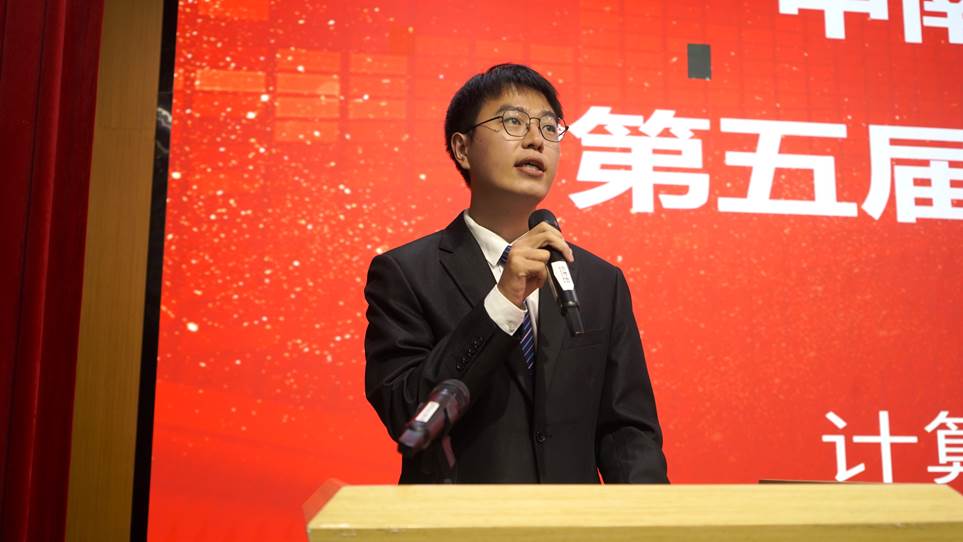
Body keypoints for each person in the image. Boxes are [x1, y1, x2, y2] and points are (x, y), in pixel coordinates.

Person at [364, 63, 668, 483]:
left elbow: (629, 432)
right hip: (461, 516)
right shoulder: (406, 273)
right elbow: (406, 411)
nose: (535, 140)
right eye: (513, 121)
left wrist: (650, 513)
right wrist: (502, 303)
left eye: (549, 127)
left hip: (572, 518)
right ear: (462, 148)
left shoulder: (599, 281)